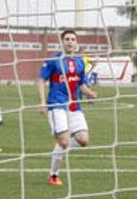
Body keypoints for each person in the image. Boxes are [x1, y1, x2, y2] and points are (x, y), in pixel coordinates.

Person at [38, 30, 97, 186]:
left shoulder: (79, 62)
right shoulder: (53, 60)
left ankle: (60, 144)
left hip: (74, 107)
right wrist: (42, 102)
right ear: (62, 42)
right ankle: (54, 175)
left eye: (73, 39)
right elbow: (40, 80)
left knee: (83, 140)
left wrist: (90, 92)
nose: (70, 42)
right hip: (57, 105)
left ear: (76, 43)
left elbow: (81, 85)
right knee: (64, 142)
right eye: (67, 39)